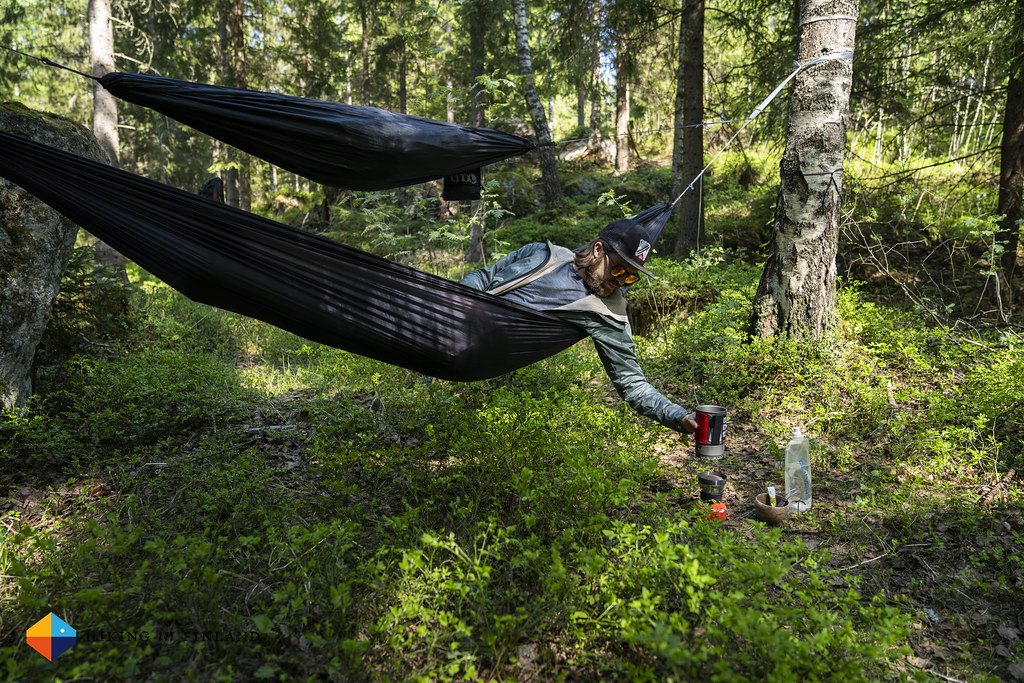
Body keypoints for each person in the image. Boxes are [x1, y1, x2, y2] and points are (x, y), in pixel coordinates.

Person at [460, 218, 698, 435]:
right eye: (617, 269)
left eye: (630, 277)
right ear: (598, 249)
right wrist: (454, 303)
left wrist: (679, 417)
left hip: (472, 352)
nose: (620, 281)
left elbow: (632, 383)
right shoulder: (542, 254)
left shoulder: (607, 312)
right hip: (455, 320)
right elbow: (484, 277)